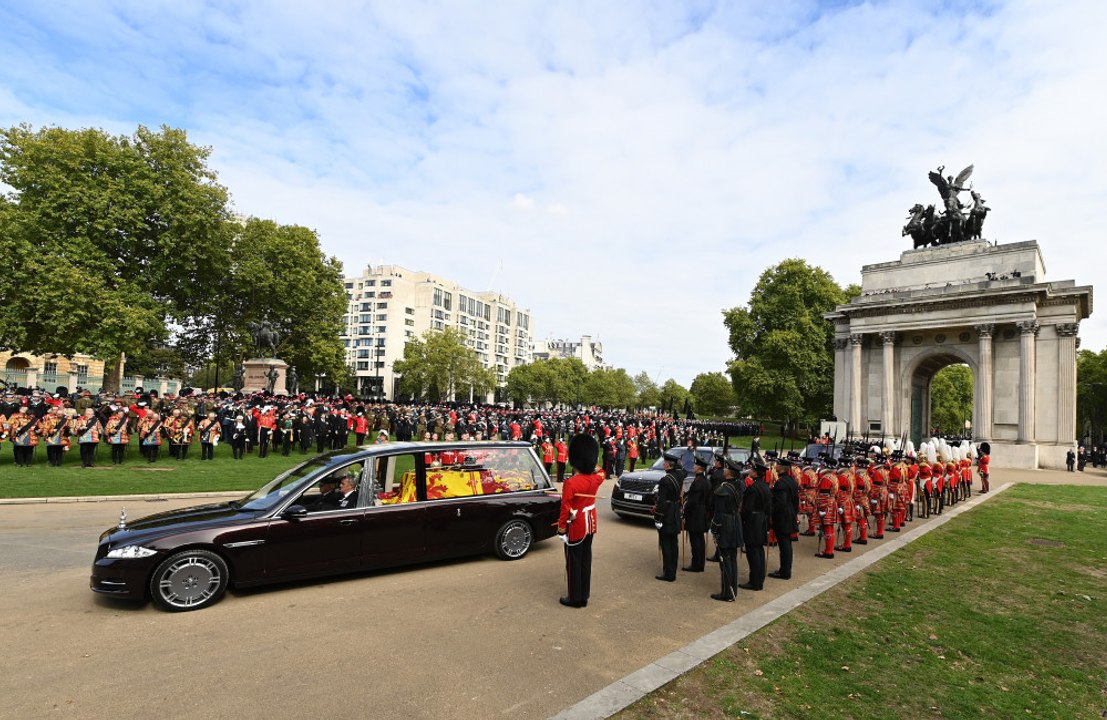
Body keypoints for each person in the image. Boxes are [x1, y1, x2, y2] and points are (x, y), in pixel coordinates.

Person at [557, 434, 603, 608]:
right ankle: (584, 596)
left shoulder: (571, 483)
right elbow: (601, 471)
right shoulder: (596, 479)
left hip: (577, 526)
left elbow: (565, 509)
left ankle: (574, 598)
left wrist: (561, 529)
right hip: (590, 523)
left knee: (573, 562)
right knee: (585, 560)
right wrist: (591, 463)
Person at [710, 455, 743, 601]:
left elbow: (718, 513)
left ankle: (727, 593)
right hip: (735, 522)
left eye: (726, 468)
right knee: (732, 559)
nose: (723, 469)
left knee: (726, 559)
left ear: (729, 472)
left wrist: (714, 528)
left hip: (726, 524)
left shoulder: (723, 489)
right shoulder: (738, 485)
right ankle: (732, 590)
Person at [740, 456, 771, 591]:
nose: (750, 471)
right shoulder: (765, 487)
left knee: (753, 553)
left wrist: (742, 518)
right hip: (761, 519)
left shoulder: (753, 488)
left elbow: (747, 508)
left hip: (753, 521)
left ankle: (755, 581)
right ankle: (759, 579)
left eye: (752, 470)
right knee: (759, 551)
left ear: (756, 473)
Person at [653, 449, 684, 582]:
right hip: (675, 511)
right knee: (673, 543)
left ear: (668, 465)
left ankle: (668, 573)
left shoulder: (665, 480)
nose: (663, 464)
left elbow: (661, 501)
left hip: (667, 513)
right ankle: (672, 570)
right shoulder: (679, 475)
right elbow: (683, 471)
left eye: (665, 462)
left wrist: (658, 517)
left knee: (666, 544)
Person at [769, 456, 799, 579]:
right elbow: (796, 501)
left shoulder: (781, 483)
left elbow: (780, 503)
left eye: (777, 464)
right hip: (790, 514)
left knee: (784, 545)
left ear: (782, 467)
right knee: (786, 545)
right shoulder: (791, 480)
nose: (775, 466)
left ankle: (785, 571)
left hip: (783, 517)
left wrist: (772, 514)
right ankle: (785, 569)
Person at [682, 455, 710, 572]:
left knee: (696, 540)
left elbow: (693, 501)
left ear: (699, 468)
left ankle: (696, 565)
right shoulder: (704, 480)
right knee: (699, 540)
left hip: (696, 515)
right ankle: (699, 563)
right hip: (701, 513)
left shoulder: (699, 482)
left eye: (695, 465)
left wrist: (684, 511)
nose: (693, 467)